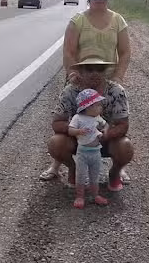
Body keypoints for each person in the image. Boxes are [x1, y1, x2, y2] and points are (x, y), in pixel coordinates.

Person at [39, 0, 131, 182]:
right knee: (71, 121)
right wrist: (73, 75)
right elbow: (69, 51)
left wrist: (118, 77)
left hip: (107, 82)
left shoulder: (118, 21)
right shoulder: (78, 20)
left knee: (113, 123)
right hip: (80, 79)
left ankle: (119, 168)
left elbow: (124, 53)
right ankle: (57, 164)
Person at [48, 56, 134, 192]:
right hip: (78, 140)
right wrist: (75, 130)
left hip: (106, 140)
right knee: (56, 143)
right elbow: (57, 123)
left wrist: (106, 134)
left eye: (99, 69)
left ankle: (115, 172)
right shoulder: (70, 91)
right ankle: (73, 169)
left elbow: (123, 125)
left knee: (125, 146)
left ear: (105, 72)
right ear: (80, 72)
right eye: (89, 69)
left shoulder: (116, 91)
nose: (95, 73)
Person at [67, 88, 110, 209]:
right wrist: (79, 131)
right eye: (97, 105)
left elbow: (106, 124)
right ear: (88, 107)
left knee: (95, 175)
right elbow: (70, 130)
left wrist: (105, 130)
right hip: (83, 152)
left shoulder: (97, 118)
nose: (100, 108)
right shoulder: (78, 118)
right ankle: (80, 196)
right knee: (80, 175)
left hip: (96, 152)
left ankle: (95, 194)